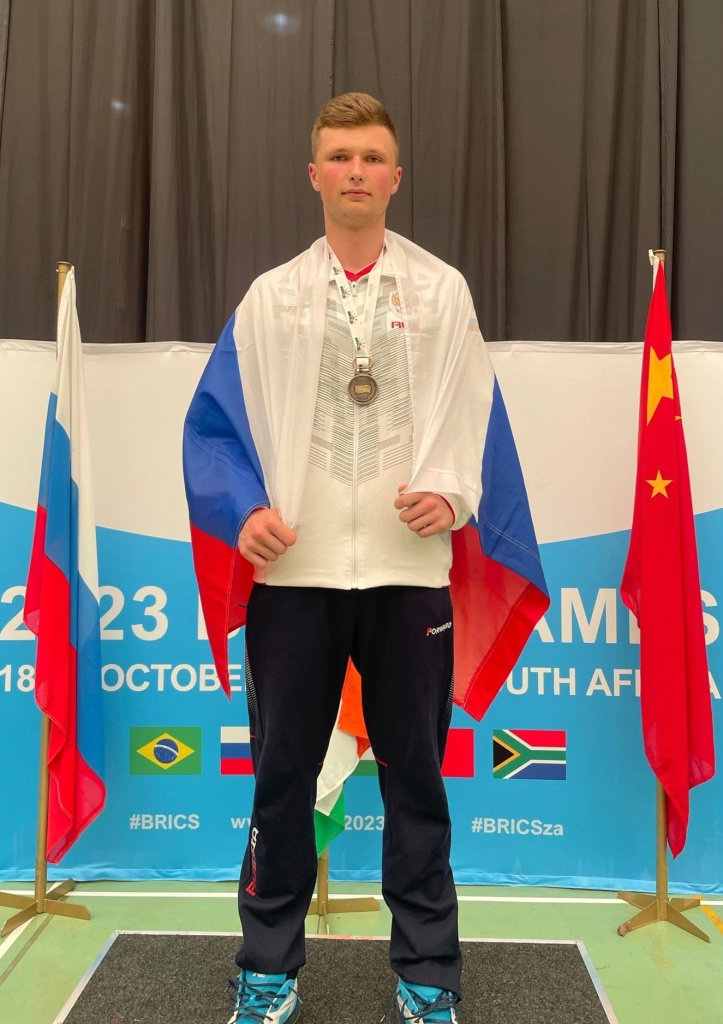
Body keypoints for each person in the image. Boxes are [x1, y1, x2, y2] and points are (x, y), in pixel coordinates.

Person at [183, 92, 548, 1024]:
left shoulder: (442, 291)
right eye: (340, 156)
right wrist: (242, 510)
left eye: (371, 156)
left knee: (416, 786)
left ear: (395, 176)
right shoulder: (269, 297)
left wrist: (452, 494)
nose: (355, 171)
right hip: (294, 580)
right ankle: (266, 972)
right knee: (281, 785)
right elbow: (215, 430)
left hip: (409, 576)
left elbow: (475, 419)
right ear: (314, 175)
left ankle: (427, 977)